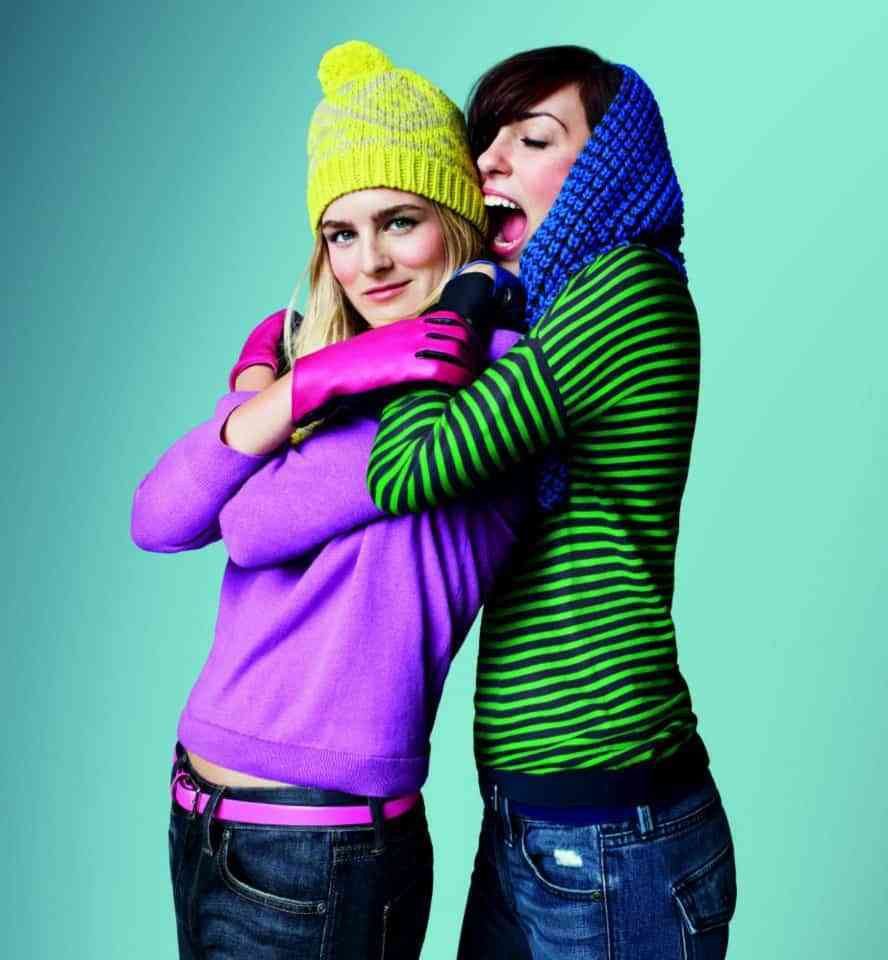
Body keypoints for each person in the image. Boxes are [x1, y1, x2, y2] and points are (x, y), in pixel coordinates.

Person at [304, 46, 738, 959]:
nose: (491, 160)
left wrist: (450, 305)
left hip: (614, 821)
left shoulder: (624, 288)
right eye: (487, 139)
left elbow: (410, 466)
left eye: (534, 139)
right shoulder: (542, 312)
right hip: (538, 814)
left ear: (606, 167)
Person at [131, 40, 527, 960]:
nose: (370, 261)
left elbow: (248, 523)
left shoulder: (494, 377)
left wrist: (273, 391)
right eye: (341, 234)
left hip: (321, 848)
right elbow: (157, 520)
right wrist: (311, 379)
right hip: (203, 815)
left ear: (456, 221)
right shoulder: (329, 374)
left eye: (400, 221)